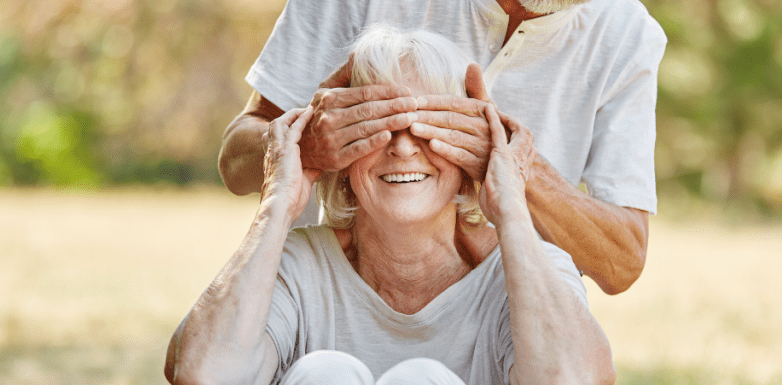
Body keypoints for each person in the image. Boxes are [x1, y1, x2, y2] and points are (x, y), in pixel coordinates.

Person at [217, 0, 715, 294]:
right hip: (333, 311)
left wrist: (516, 168)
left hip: (507, 339)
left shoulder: (630, 39)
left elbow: (621, 261)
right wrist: (301, 144)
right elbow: (235, 161)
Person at [165, 27, 615, 385]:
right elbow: (203, 373)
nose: (402, 148)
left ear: (470, 154)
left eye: (427, 128)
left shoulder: (530, 270)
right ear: (339, 154)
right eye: (376, 125)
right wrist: (278, 203)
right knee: (326, 374)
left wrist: (512, 208)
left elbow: (575, 379)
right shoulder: (298, 266)